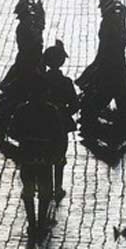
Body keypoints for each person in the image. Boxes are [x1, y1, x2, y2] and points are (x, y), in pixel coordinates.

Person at [7, 80, 69, 241]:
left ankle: (31, 222)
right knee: (45, 191)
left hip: (27, 155)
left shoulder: (22, 110)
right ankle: (41, 222)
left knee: (27, 189)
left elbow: (12, 132)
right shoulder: (51, 111)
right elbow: (59, 135)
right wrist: (57, 152)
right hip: (45, 157)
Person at [40, 40, 79, 202]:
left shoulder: (40, 80)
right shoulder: (66, 82)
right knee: (60, 156)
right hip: (61, 124)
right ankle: (58, 187)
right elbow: (75, 104)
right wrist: (64, 113)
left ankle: (46, 186)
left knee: (45, 155)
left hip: (43, 124)